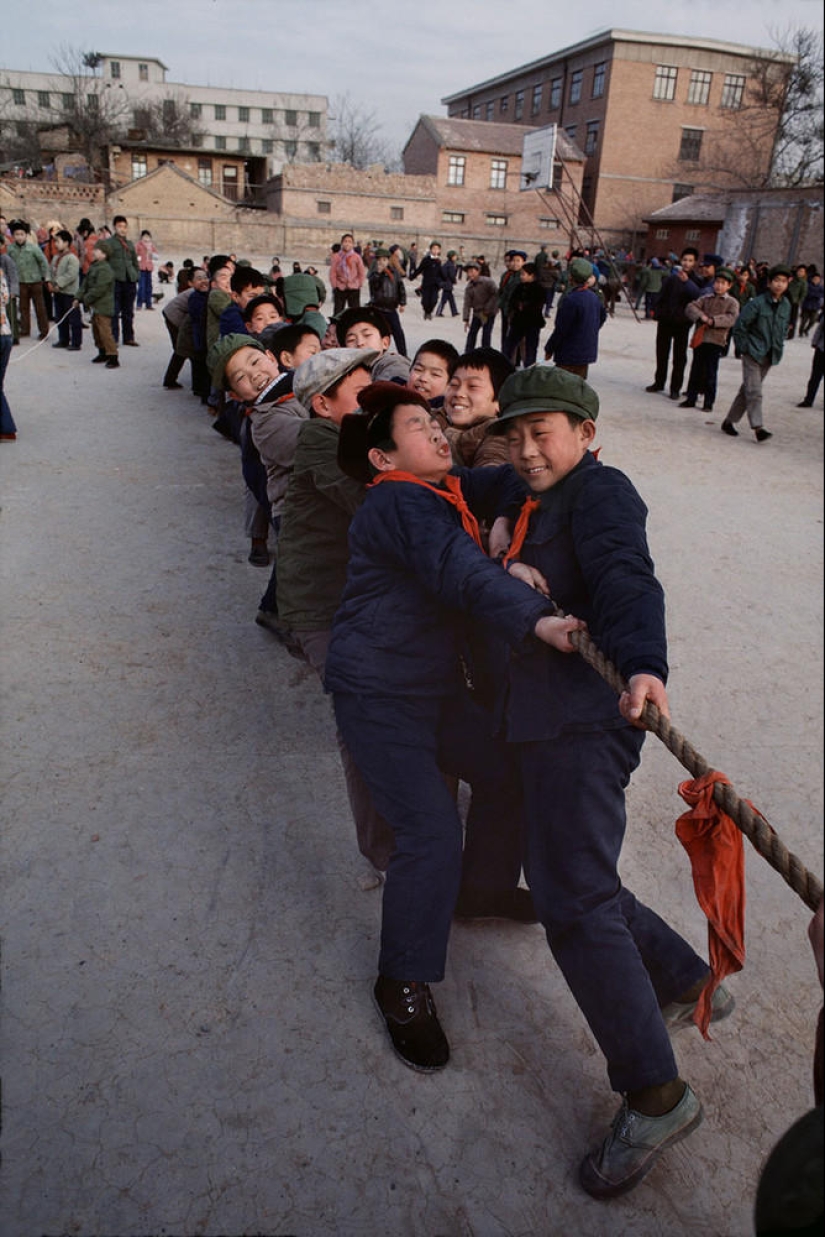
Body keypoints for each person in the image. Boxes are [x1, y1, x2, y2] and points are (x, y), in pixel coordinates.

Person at [486, 364, 731, 1197]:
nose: (524, 450)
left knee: (572, 902)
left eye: (542, 433)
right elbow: (458, 479)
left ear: (586, 433)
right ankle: (684, 980)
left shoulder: (601, 493)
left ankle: (655, 1093)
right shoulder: (523, 489)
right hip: (539, 717)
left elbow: (627, 575)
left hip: (584, 724)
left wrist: (644, 665)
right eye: (512, 434)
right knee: (579, 878)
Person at [326, 381, 583, 1072]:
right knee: (430, 832)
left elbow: (503, 476)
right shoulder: (399, 499)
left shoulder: (444, 486)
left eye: (434, 420)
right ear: (383, 458)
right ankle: (400, 980)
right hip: (378, 692)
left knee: (506, 774)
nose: (438, 432)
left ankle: (482, 890)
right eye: (418, 427)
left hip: (432, 686)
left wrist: (505, 510)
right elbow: (457, 570)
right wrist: (535, 618)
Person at [721, 264, 792, 443]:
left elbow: (783, 329)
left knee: (748, 389)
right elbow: (740, 326)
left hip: (770, 354)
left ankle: (729, 421)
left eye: (783, 282)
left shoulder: (786, 305)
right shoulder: (757, 304)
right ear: (769, 283)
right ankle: (758, 428)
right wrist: (744, 348)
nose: (779, 285)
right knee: (754, 391)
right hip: (753, 352)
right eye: (776, 281)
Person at [680, 267, 740, 412]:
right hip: (701, 339)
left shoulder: (732, 302)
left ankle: (708, 402)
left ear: (729, 286)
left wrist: (714, 321)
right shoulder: (705, 298)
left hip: (716, 341)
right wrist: (702, 317)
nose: (719, 286)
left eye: (723, 283)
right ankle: (691, 398)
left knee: (711, 372)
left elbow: (731, 318)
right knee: (696, 370)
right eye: (717, 282)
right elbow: (690, 307)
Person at [645, 248, 702, 399]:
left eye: (690, 260)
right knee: (662, 353)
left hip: (683, 324)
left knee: (679, 357)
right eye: (685, 260)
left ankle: (675, 388)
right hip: (666, 321)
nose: (687, 263)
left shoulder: (696, 281)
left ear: (695, 262)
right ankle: (659, 382)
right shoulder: (671, 279)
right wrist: (657, 312)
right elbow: (661, 296)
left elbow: (698, 297)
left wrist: (687, 282)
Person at [543, 257, 606, 378]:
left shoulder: (571, 299)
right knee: (578, 388)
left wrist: (550, 348)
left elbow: (561, 329)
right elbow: (602, 316)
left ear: (570, 277)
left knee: (563, 387)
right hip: (586, 353)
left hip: (568, 353)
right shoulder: (593, 297)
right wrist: (590, 330)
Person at [335, 306, 411, 384]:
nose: (360, 343)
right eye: (351, 340)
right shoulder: (348, 372)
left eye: (367, 335)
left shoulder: (394, 364)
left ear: (385, 343)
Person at [77, 242, 118, 368]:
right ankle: (102, 352)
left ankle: (113, 356)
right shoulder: (94, 267)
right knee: (96, 331)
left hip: (103, 305)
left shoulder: (106, 270)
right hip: (94, 306)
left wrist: (86, 299)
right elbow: (85, 285)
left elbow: (99, 289)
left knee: (105, 332)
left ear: (104, 254)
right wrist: (78, 297)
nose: (94, 252)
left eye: (97, 250)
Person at [100, 216, 139, 346]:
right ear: (114, 228)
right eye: (119, 227)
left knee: (128, 311)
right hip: (115, 281)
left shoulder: (130, 244)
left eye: (124, 227)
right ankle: (114, 338)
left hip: (129, 280)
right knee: (114, 311)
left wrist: (136, 275)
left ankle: (128, 337)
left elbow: (134, 261)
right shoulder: (109, 243)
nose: (122, 229)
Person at [8, 219, 49, 339]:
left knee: (40, 308)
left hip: (35, 281)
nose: (19, 237)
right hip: (21, 282)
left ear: (26, 235)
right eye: (17, 235)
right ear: (13, 235)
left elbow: (43, 262)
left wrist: (44, 277)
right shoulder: (11, 249)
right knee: (23, 307)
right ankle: (25, 329)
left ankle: (44, 331)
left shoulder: (33, 248)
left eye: (22, 234)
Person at [505, 262, 546, 367]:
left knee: (531, 347)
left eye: (523, 274)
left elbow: (538, 304)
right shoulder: (519, 287)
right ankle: (505, 366)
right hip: (518, 321)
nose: (521, 277)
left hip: (533, 322)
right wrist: (516, 306)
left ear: (531, 275)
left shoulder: (539, 289)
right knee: (509, 345)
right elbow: (512, 300)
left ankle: (530, 369)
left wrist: (525, 306)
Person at [367, 249, 407, 357]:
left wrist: (402, 303)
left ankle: (403, 354)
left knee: (398, 332)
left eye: (384, 260)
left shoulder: (394, 273)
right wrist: (378, 274)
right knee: (379, 332)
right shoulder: (373, 274)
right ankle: (376, 353)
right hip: (378, 308)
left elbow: (401, 288)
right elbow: (374, 286)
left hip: (391, 308)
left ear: (388, 260)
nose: (382, 262)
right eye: (379, 260)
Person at [48, 230, 82, 351]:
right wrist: (50, 282)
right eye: (55, 241)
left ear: (66, 243)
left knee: (73, 318)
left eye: (58, 241)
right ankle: (63, 339)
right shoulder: (56, 257)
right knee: (60, 317)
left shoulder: (72, 258)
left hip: (70, 293)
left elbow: (71, 275)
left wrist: (58, 283)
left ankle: (76, 342)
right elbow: (50, 271)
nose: (56, 244)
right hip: (58, 293)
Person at [161, 267, 194, 389]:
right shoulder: (206, 290)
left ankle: (170, 379)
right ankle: (170, 380)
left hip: (173, 312)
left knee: (182, 350)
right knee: (182, 349)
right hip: (174, 315)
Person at [408, 339, 459, 411]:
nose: (423, 378)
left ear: (450, 384)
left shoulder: (446, 417)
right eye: (418, 370)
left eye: (435, 374)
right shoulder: (392, 392)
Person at [461, 259, 498, 351]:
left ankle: (485, 353)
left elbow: (496, 295)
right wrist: (466, 319)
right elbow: (467, 304)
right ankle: (468, 353)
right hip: (477, 313)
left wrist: (488, 308)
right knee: (472, 333)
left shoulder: (488, 282)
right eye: (468, 272)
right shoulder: (469, 288)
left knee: (486, 334)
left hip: (488, 313)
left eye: (473, 271)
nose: (471, 274)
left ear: (478, 271)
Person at [329, 233, 366, 316]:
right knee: (338, 312)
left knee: (355, 312)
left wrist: (359, 283)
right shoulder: (337, 257)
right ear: (342, 243)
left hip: (353, 287)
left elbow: (361, 272)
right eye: (345, 241)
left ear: (353, 244)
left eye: (349, 242)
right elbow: (333, 272)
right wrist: (334, 285)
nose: (347, 243)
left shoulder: (356, 257)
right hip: (340, 287)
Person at [0, 264, 17, 440]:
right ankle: (6, 428)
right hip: (5, 333)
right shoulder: (1, 274)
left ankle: (6, 427)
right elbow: (5, 298)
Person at [797, 314, 824, 408]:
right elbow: (820, 329)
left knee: (815, 377)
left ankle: (809, 400)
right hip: (821, 349)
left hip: (821, 348)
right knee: (815, 377)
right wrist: (815, 342)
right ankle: (809, 399)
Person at [413, 241, 444, 321]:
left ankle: (429, 312)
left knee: (434, 300)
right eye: (434, 249)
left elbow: (441, 273)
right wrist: (412, 276)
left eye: (437, 249)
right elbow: (420, 269)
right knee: (425, 301)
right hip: (426, 284)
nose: (435, 250)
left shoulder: (439, 261)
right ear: (431, 250)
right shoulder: (426, 260)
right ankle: (426, 311)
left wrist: (445, 281)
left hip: (435, 285)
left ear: (439, 251)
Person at [136, 230, 159, 310]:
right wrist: (138, 260)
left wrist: (152, 254)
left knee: (149, 287)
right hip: (141, 267)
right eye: (145, 236)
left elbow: (157, 256)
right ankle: (139, 304)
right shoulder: (139, 245)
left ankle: (148, 304)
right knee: (141, 286)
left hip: (149, 267)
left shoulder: (151, 246)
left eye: (148, 236)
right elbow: (136, 255)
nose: (146, 238)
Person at [785, 264, 808, 339]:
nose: (800, 273)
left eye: (802, 272)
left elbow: (803, 293)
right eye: (799, 271)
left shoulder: (803, 282)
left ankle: (790, 334)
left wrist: (799, 301)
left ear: (804, 273)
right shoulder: (791, 279)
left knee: (793, 319)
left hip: (795, 302)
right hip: (787, 300)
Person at [435, 250, 459, 318]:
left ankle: (454, 312)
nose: (456, 257)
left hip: (446, 283)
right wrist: (454, 280)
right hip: (447, 284)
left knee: (451, 299)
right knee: (444, 299)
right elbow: (452, 275)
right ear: (452, 257)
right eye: (455, 256)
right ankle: (438, 312)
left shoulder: (447, 264)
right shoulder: (450, 265)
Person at [799, 271, 823, 337]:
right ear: (812, 279)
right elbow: (807, 294)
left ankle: (806, 330)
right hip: (806, 306)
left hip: (815, 307)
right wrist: (816, 295)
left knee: (813, 321)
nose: (816, 280)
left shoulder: (821, 287)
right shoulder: (807, 285)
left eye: (818, 279)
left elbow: (822, 295)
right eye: (815, 279)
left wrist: (815, 295)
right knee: (804, 321)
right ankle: (800, 332)